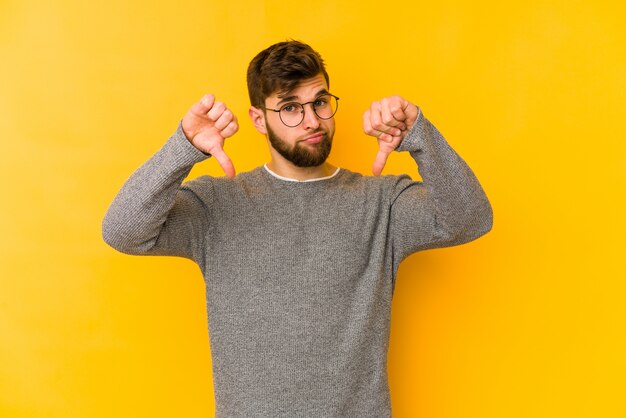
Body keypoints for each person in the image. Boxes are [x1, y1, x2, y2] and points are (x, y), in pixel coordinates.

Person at [103, 40, 493, 417]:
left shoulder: (382, 202)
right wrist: (183, 146)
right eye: (290, 107)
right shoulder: (217, 206)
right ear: (259, 119)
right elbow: (123, 231)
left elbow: (471, 218)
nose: (312, 121)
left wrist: (420, 135)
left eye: (320, 102)